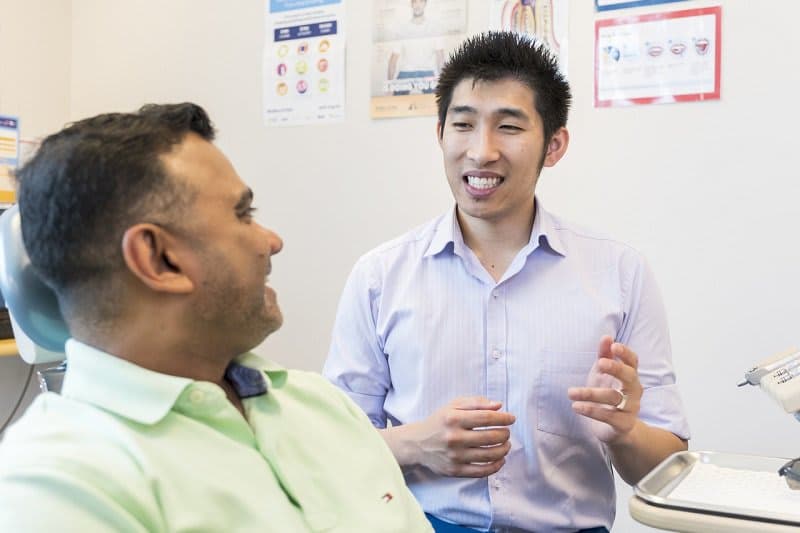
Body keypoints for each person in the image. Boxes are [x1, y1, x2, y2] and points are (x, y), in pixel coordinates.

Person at [0, 103, 432, 532]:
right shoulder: (59, 485)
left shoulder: (318, 403)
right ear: (159, 259)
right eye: (244, 214)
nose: (272, 241)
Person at [325, 32, 690, 532]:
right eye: (463, 125)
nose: (481, 151)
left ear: (554, 144)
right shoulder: (380, 275)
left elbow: (664, 472)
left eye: (510, 127)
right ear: (440, 134)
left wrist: (624, 431)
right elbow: (329, 454)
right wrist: (416, 444)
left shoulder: (619, 272)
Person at [387, 0, 445, 95]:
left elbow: (441, 58)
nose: (418, 5)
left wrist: (444, 84)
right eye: (415, 1)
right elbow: (393, 60)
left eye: (421, 1)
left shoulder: (434, 27)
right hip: (406, 72)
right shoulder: (402, 28)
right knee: (396, 102)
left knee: (435, 103)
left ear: (425, 4)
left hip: (427, 72)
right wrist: (389, 85)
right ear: (411, 4)